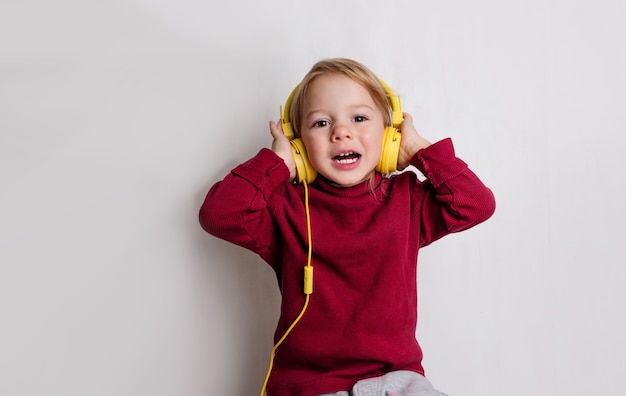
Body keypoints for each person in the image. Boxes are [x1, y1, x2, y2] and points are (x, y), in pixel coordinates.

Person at [198, 58, 496, 396]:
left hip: (398, 381)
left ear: (388, 136)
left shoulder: (408, 200)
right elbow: (219, 215)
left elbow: (476, 204)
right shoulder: (287, 207)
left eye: (359, 118)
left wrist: (418, 151)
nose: (341, 132)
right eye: (322, 123)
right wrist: (278, 164)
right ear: (299, 146)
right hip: (312, 386)